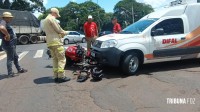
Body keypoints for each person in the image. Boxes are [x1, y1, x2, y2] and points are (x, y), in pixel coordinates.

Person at [42, 8, 70, 83]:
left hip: (50, 43)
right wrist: (65, 32)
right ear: (54, 13)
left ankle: (56, 76)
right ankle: (61, 77)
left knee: (55, 60)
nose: (57, 16)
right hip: (56, 42)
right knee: (61, 59)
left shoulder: (45, 20)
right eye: (57, 15)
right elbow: (58, 29)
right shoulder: (51, 19)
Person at [0, 12, 27, 77]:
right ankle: (10, 73)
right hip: (8, 44)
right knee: (10, 59)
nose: (11, 19)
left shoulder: (5, 22)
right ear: (6, 18)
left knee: (15, 57)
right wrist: (7, 34)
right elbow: (1, 28)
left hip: (10, 44)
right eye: (10, 18)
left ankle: (19, 69)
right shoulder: (3, 22)